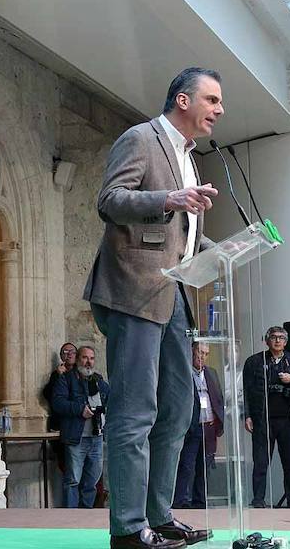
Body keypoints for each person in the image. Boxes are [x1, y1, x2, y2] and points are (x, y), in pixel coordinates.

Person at [84, 67, 223, 549]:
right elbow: (110, 200)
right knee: (135, 412)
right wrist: (169, 197)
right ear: (183, 101)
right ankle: (127, 527)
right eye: (212, 99)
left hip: (176, 295)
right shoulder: (141, 139)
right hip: (135, 292)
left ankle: (159, 516)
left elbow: (176, 236)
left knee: (179, 411)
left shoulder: (190, 158)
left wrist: (222, 248)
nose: (219, 109)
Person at [243, 326, 290, 508]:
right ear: (267, 340)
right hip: (262, 419)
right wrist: (247, 415)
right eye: (273, 337)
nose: (277, 341)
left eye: (281, 338)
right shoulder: (254, 361)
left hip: (288, 419)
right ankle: (258, 500)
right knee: (261, 462)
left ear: (286, 342)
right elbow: (246, 390)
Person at [51, 346, 109, 508]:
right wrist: (79, 409)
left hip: (96, 437)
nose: (88, 362)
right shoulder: (66, 379)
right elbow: (57, 402)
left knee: (92, 481)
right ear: (77, 360)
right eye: (84, 357)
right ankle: (71, 517)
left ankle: (86, 515)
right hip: (77, 437)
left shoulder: (97, 380)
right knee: (73, 480)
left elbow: (110, 398)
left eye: (91, 358)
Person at [173, 342, 224, 509]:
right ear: (192, 352)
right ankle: (180, 501)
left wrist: (218, 420)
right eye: (199, 352)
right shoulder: (183, 372)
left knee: (205, 467)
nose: (202, 357)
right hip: (191, 427)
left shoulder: (212, 373)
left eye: (206, 354)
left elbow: (218, 398)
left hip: (208, 426)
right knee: (186, 466)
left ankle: (200, 502)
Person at [44, 342, 79, 432]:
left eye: (72, 351)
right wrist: (59, 376)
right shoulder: (56, 374)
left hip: (76, 418)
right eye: (66, 351)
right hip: (60, 420)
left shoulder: (81, 372)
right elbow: (48, 394)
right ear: (61, 356)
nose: (69, 354)